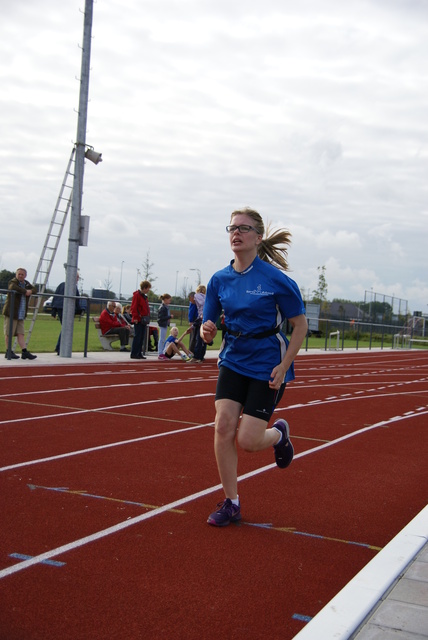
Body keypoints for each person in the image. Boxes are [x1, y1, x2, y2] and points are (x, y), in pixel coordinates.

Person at [200, 207, 308, 527]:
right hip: (233, 359)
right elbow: (209, 322)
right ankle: (231, 502)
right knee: (223, 426)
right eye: (232, 228)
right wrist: (207, 329)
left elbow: (299, 326)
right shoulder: (219, 279)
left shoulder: (276, 280)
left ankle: (278, 435)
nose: (236, 233)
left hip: (267, 364)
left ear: (258, 238)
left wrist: (284, 364)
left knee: (248, 441)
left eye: (244, 229)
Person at [3, 267, 37, 360]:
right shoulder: (13, 282)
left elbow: (34, 289)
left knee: (21, 333)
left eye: (22, 274)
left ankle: (24, 351)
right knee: (9, 332)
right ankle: (8, 351)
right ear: (16, 275)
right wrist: (25, 291)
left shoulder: (26, 283)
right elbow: (13, 287)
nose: (20, 276)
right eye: (19, 274)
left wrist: (30, 291)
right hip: (12, 312)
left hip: (21, 313)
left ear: (25, 276)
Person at [51, 273, 81, 354]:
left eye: (78, 277)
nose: (78, 279)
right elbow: (56, 296)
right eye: (77, 277)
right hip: (63, 308)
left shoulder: (67, 286)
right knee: (66, 328)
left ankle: (59, 347)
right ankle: (60, 348)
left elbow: (77, 299)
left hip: (63, 308)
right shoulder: (67, 286)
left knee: (65, 328)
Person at [130, 280, 152, 360]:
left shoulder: (144, 297)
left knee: (142, 336)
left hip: (143, 319)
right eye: (148, 288)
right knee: (137, 336)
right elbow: (134, 307)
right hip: (138, 319)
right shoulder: (137, 295)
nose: (148, 290)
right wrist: (135, 317)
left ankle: (139, 353)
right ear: (145, 288)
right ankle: (134, 353)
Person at [192, 284, 207, 362]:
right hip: (205, 318)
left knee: (198, 337)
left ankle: (197, 356)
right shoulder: (207, 297)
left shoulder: (197, 295)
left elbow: (201, 303)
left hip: (201, 318)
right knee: (204, 338)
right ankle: (201, 356)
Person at [157, 293, 173, 360]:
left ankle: (162, 352)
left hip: (164, 324)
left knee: (163, 339)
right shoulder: (162, 308)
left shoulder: (166, 307)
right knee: (162, 339)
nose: (170, 301)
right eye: (169, 300)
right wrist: (169, 317)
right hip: (162, 324)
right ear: (165, 299)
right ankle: (160, 353)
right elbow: (161, 317)